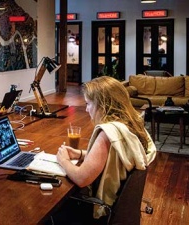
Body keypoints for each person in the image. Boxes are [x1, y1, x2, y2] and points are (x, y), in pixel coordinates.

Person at [54, 76, 157, 224]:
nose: (86, 108)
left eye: (89, 103)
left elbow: (82, 178)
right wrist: (81, 154)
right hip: (122, 212)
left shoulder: (108, 134)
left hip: (99, 213)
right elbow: (118, 156)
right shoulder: (133, 125)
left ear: (102, 105)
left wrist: (63, 160)